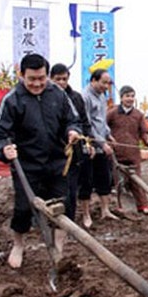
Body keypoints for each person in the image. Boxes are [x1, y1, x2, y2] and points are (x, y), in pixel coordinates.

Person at [0, 53, 81, 269]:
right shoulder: (12, 99)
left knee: (63, 205)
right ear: (22, 76)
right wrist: (4, 148)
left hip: (57, 161)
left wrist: (72, 132)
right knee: (23, 208)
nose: (37, 83)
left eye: (41, 78)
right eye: (32, 79)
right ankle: (19, 245)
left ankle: (58, 250)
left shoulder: (58, 94)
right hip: (27, 166)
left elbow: (73, 120)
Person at [50, 62, 93, 223]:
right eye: (57, 79)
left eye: (64, 79)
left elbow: (83, 122)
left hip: (72, 152)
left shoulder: (75, 98)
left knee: (72, 187)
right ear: (50, 78)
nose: (61, 82)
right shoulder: (45, 97)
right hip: (51, 151)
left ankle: (70, 220)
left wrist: (88, 142)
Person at [107, 85, 148, 214]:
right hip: (116, 153)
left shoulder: (138, 115)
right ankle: (122, 206)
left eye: (132, 96)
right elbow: (104, 128)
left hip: (133, 153)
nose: (130, 99)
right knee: (119, 182)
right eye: (127, 96)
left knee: (137, 180)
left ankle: (143, 205)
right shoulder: (112, 113)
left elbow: (144, 132)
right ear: (121, 97)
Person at [79, 68, 118, 228]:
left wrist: (108, 135)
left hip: (102, 144)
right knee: (86, 181)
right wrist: (101, 143)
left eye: (108, 83)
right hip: (88, 146)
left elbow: (101, 120)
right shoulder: (84, 97)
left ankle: (105, 210)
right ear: (93, 81)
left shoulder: (102, 97)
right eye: (103, 82)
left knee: (104, 178)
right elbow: (86, 124)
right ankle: (86, 214)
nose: (106, 86)